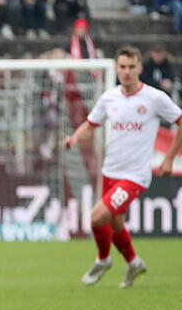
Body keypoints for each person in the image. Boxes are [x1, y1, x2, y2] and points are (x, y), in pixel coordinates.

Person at [65, 46, 182, 288]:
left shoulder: (154, 98)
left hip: (135, 176)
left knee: (97, 218)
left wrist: (169, 158)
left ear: (140, 68)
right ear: (116, 69)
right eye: (122, 67)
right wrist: (75, 138)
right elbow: (91, 124)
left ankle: (103, 259)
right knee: (116, 223)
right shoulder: (110, 98)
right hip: (111, 171)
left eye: (131, 67)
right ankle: (133, 262)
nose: (127, 71)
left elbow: (180, 121)